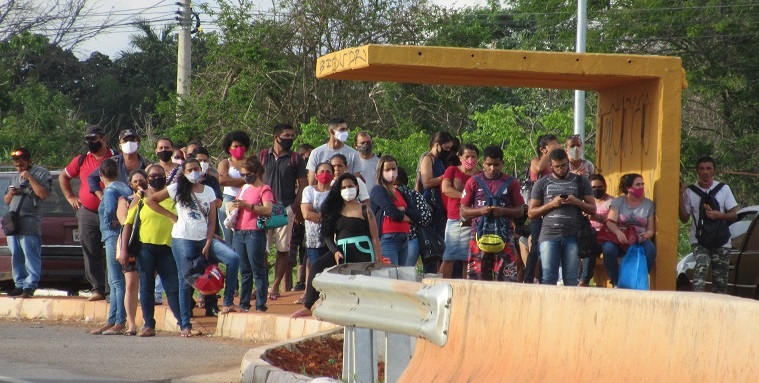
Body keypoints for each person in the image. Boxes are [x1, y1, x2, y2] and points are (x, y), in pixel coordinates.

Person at [146, 159, 240, 337]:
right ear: (184, 172)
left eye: (196, 169)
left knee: (233, 258)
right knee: (185, 280)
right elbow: (151, 201)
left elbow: (212, 219)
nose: (194, 172)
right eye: (190, 169)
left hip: (205, 238)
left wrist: (208, 241)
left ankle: (228, 302)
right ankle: (185, 325)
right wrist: (171, 216)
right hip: (183, 238)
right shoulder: (176, 189)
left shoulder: (209, 191)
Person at [291, 173, 382, 318]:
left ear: (357, 187)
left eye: (350, 186)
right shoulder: (334, 210)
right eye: (344, 187)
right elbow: (326, 235)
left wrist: (379, 259)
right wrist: (334, 251)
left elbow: (375, 237)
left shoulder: (365, 210)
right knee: (316, 267)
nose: (347, 189)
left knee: (360, 282)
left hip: (362, 251)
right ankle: (308, 305)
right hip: (341, 251)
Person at [121, 164, 181, 337]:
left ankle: (183, 323)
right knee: (146, 287)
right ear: (147, 179)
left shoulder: (173, 196)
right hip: (145, 248)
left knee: (172, 287)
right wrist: (124, 250)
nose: (156, 178)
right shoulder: (139, 199)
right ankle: (148, 325)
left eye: (160, 174)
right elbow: (128, 224)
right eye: (152, 175)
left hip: (168, 247)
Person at [59, 125, 116, 301]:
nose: (90, 143)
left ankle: (112, 289)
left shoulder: (116, 157)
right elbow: (63, 176)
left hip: (112, 212)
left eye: (94, 139)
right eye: (87, 140)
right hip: (88, 212)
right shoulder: (82, 160)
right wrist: (70, 197)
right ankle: (97, 288)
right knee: (91, 250)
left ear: (103, 138)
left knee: (113, 250)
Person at [528, 148, 595, 287]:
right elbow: (531, 213)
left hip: (573, 235)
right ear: (550, 166)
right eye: (557, 166)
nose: (561, 169)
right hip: (549, 235)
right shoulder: (541, 183)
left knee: (571, 279)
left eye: (564, 165)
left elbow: (592, 209)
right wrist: (552, 204)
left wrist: (575, 201)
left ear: (568, 164)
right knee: (548, 278)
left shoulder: (581, 181)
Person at [460, 145, 525, 281]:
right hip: (479, 235)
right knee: (477, 280)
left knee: (506, 280)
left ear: (502, 163)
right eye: (489, 164)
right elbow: (463, 210)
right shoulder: (474, 182)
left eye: (496, 165)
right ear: (483, 163)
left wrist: (503, 211)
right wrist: (480, 211)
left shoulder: (511, 183)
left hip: (504, 235)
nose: (492, 168)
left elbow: (520, 211)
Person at [259, 123, 308, 300]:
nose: (290, 139)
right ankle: (262, 285)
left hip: (285, 208)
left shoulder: (296, 159)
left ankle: (275, 286)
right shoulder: (262, 156)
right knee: (262, 249)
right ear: (276, 137)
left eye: (291, 136)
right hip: (264, 209)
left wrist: (293, 208)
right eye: (286, 135)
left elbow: (303, 186)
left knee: (282, 249)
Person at [679, 156, 738, 293]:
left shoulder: (724, 189)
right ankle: (696, 302)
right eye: (701, 169)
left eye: (708, 168)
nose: (705, 172)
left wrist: (720, 215)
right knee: (702, 265)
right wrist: (680, 196)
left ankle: (719, 310)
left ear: (714, 171)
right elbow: (684, 218)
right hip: (699, 240)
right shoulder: (690, 191)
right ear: (697, 171)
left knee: (721, 281)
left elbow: (734, 215)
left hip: (721, 240)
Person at [3, 148, 51, 298]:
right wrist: (11, 193)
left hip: (29, 222)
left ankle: (29, 286)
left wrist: (30, 178)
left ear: (29, 161)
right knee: (16, 255)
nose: (19, 168)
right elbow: (6, 200)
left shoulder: (41, 173)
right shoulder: (15, 177)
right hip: (14, 223)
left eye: (21, 165)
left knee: (30, 255)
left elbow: (43, 194)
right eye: (16, 166)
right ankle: (19, 284)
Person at [229, 157, 274, 312]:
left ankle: (261, 305)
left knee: (258, 269)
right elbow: (236, 203)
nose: (246, 177)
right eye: (243, 174)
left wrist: (247, 206)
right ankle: (244, 304)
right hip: (240, 232)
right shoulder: (244, 188)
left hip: (255, 232)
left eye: (248, 174)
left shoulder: (264, 189)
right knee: (245, 271)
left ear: (256, 172)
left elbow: (268, 210)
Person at [94, 159, 133, 335]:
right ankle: (112, 320)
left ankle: (118, 321)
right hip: (123, 234)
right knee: (116, 280)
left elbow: (109, 210)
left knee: (116, 280)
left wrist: (112, 223)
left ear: (101, 175)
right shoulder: (125, 187)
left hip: (112, 235)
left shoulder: (109, 190)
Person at [601, 173, 657, 287]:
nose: (641, 187)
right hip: (619, 237)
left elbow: (651, 230)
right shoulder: (618, 202)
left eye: (642, 184)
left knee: (650, 250)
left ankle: (638, 278)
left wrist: (646, 235)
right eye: (638, 185)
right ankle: (616, 282)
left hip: (639, 239)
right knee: (608, 250)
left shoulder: (649, 204)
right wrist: (618, 232)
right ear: (628, 188)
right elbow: (610, 222)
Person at [113, 169, 148, 335]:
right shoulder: (125, 200)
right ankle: (132, 323)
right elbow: (123, 219)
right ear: (130, 184)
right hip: (132, 245)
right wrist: (136, 200)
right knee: (131, 285)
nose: (139, 183)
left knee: (147, 285)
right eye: (136, 181)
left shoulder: (154, 198)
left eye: (142, 180)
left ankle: (148, 322)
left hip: (150, 245)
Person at [523, 134, 562, 284]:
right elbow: (538, 168)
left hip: (554, 211)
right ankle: (530, 278)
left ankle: (554, 278)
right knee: (536, 246)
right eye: (553, 146)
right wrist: (550, 152)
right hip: (538, 211)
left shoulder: (555, 166)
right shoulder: (536, 162)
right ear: (542, 149)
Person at [370, 155, 420, 265]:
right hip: (388, 238)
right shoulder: (378, 190)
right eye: (387, 169)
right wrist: (408, 219)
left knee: (402, 276)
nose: (391, 172)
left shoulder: (400, 193)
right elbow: (392, 213)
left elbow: (417, 215)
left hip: (404, 238)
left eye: (394, 169)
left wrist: (404, 209)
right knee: (391, 274)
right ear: (380, 171)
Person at [440, 143, 479, 278]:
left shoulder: (480, 175)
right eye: (467, 156)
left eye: (473, 157)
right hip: (456, 218)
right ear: (460, 157)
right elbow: (446, 189)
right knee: (449, 256)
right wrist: (465, 197)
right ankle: (441, 286)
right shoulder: (452, 170)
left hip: (475, 219)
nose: (470, 159)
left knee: (468, 259)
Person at [417, 131, 454, 273]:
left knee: (441, 246)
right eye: (446, 148)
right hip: (431, 204)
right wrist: (445, 177)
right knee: (431, 246)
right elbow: (426, 182)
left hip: (442, 205)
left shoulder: (441, 160)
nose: (448, 152)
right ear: (437, 145)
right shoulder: (428, 158)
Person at [299, 161, 334, 303]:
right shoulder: (308, 190)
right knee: (316, 269)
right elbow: (307, 214)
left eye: (328, 171)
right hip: (313, 239)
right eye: (321, 171)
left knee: (330, 271)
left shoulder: (335, 192)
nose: (325, 174)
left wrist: (317, 216)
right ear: (316, 174)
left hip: (331, 240)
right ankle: (313, 300)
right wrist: (327, 218)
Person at [86, 129, 148, 199]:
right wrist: (102, 197)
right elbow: (92, 178)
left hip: (141, 204)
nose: (129, 143)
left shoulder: (147, 164)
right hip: (118, 205)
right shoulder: (112, 162)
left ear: (138, 143)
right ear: (120, 146)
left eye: (132, 140)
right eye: (125, 141)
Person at [306, 117, 362, 186]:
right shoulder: (316, 153)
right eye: (342, 130)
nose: (345, 132)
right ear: (331, 131)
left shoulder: (354, 154)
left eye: (346, 129)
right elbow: (312, 183)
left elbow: (356, 181)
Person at [217, 130, 250, 245]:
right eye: (235, 146)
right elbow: (222, 180)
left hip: (248, 198)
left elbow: (257, 179)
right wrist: (245, 180)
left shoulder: (251, 161)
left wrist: (232, 181)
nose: (239, 148)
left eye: (241, 146)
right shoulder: (225, 163)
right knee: (229, 235)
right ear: (229, 148)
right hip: (229, 198)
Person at [580, 173, 613, 287]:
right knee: (588, 248)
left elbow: (614, 222)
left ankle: (614, 281)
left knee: (607, 249)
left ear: (605, 187)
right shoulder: (584, 203)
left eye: (600, 187)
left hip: (606, 236)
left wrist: (597, 217)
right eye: (593, 188)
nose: (597, 190)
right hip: (588, 236)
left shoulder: (612, 202)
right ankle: (584, 280)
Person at [394, 167, 432, 267]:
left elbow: (426, 217)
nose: (396, 187)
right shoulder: (385, 196)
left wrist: (408, 214)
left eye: (399, 184)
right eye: (393, 185)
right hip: (390, 240)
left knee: (406, 273)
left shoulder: (414, 196)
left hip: (411, 239)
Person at [292, 144, 314, 292]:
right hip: (294, 218)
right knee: (289, 254)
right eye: (306, 156)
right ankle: (286, 288)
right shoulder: (294, 172)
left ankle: (302, 282)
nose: (308, 159)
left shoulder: (314, 174)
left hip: (308, 219)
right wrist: (295, 213)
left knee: (305, 252)